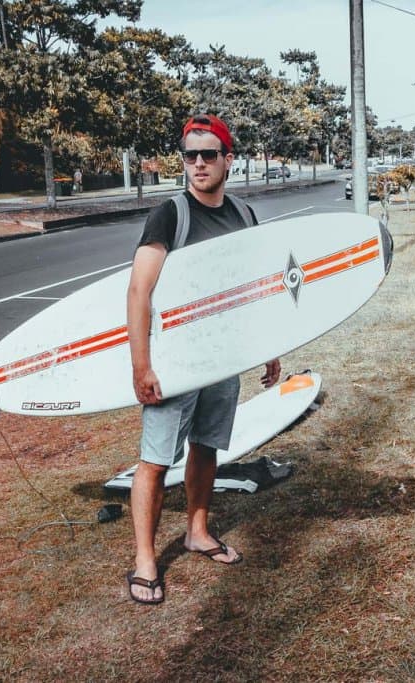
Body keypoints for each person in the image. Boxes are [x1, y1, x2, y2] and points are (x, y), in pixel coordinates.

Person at [125, 114, 281, 604]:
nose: (197, 163)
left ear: (227, 159)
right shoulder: (170, 215)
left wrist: (270, 346)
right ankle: (146, 560)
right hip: (175, 360)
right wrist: (141, 365)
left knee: (207, 445)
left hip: (223, 356)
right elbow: (139, 291)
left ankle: (197, 531)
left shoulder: (242, 213)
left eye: (207, 155)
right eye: (189, 155)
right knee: (154, 460)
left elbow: (255, 287)